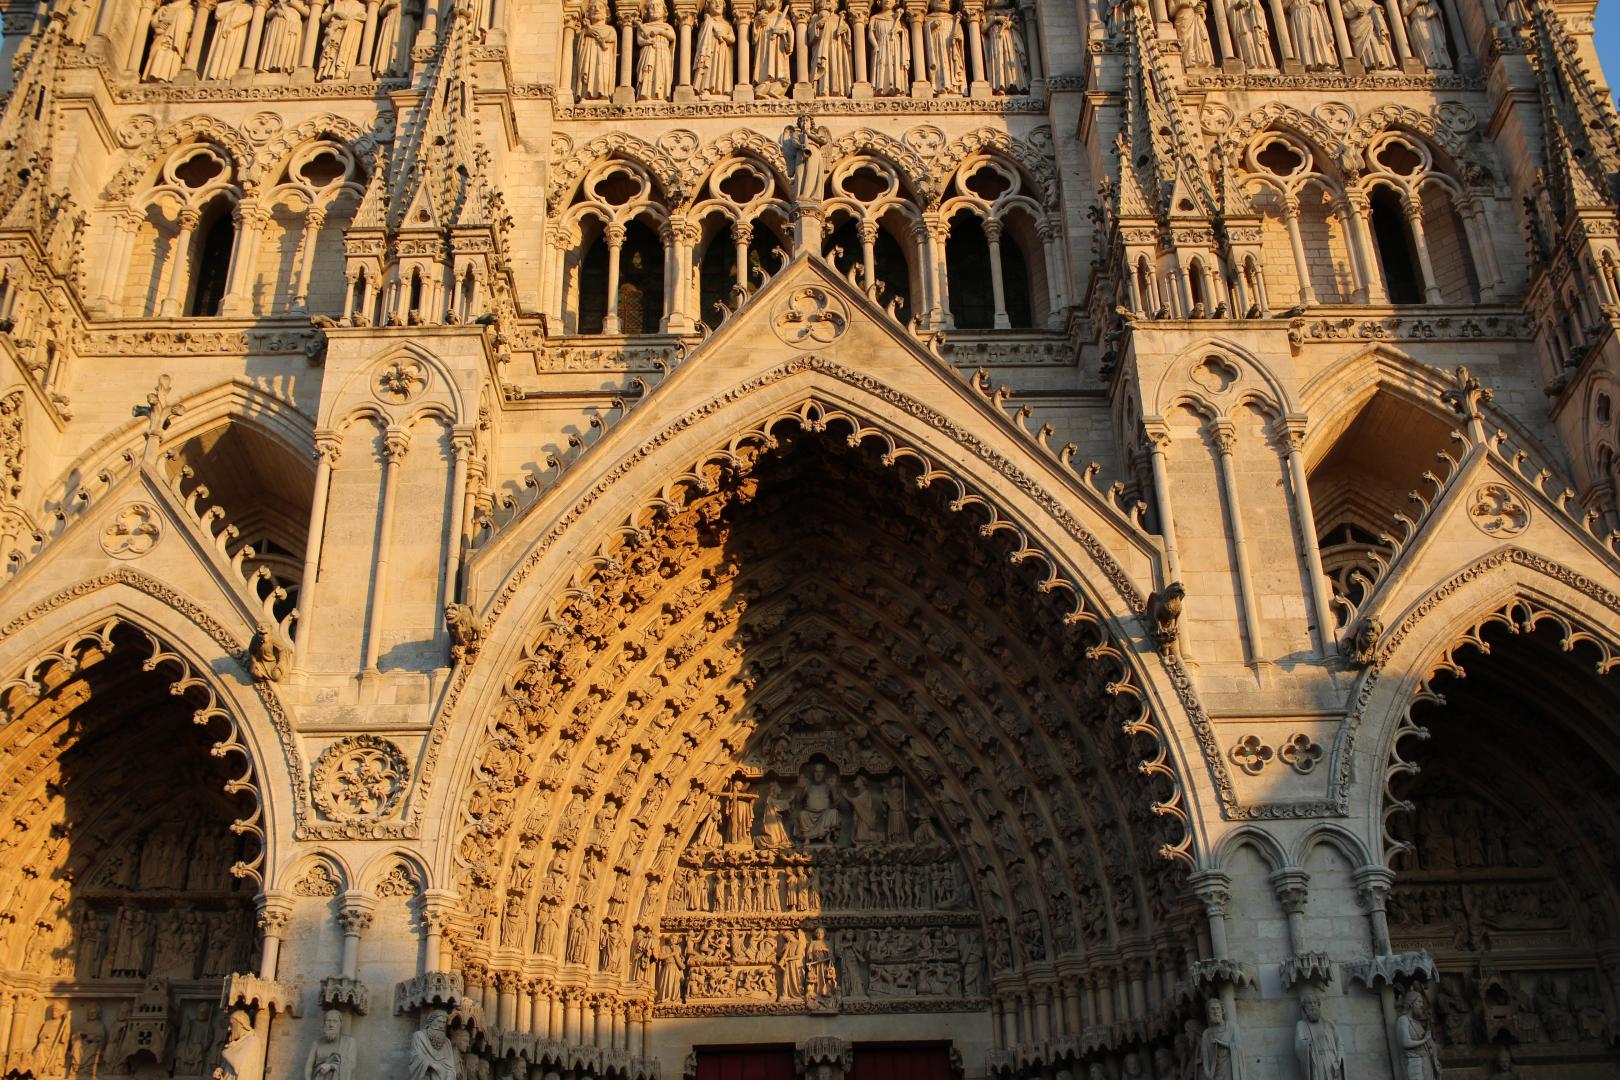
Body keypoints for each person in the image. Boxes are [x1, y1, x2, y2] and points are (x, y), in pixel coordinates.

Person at [1293, 993, 1345, 1080]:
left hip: (1332, 1059)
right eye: (1309, 1003)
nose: (1313, 1005)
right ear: (1304, 1008)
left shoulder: (1329, 1023)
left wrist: (1339, 1057)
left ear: (1318, 1004)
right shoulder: (1302, 1025)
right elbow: (1299, 1045)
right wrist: (1307, 1044)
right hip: (1316, 1059)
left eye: (1314, 1002)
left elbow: (1339, 1042)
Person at [1394, 992, 1442, 1080]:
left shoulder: (1416, 1022)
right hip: (1415, 1064)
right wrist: (1424, 1040)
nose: (1422, 1005)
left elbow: (1429, 1044)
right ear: (1411, 1003)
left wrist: (1435, 1058)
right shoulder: (1403, 1020)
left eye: (1422, 1002)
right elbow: (1405, 1043)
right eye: (1419, 1002)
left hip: (1426, 1063)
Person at [305, 1009, 355, 1080]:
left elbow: (351, 1064)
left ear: (341, 1024)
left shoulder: (349, 1042)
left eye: (335, 1021)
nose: (331, 1025)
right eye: (328, 1021)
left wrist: (331, 1066)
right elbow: (309, 1065)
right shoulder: (317, 1043)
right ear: (324, 1023)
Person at [408, 1010, 458, 1080]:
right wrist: (431, 1064)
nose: (441, 1026)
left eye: (444, 1023)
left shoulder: (447, 1042)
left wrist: (450, 1074)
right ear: (431, 1021)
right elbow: (415, 1057)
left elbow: (451, 1065)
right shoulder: (419, 1036)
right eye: (439, 1021)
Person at [215, 1009, 263, 1080]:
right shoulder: (236, 1043)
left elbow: (239, 1066)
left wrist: (226, 1052)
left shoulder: (252, 1041)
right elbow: (229, 1067)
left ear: (240, 1024)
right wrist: (220, 1072)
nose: (229, 1028)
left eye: (231, 1024)